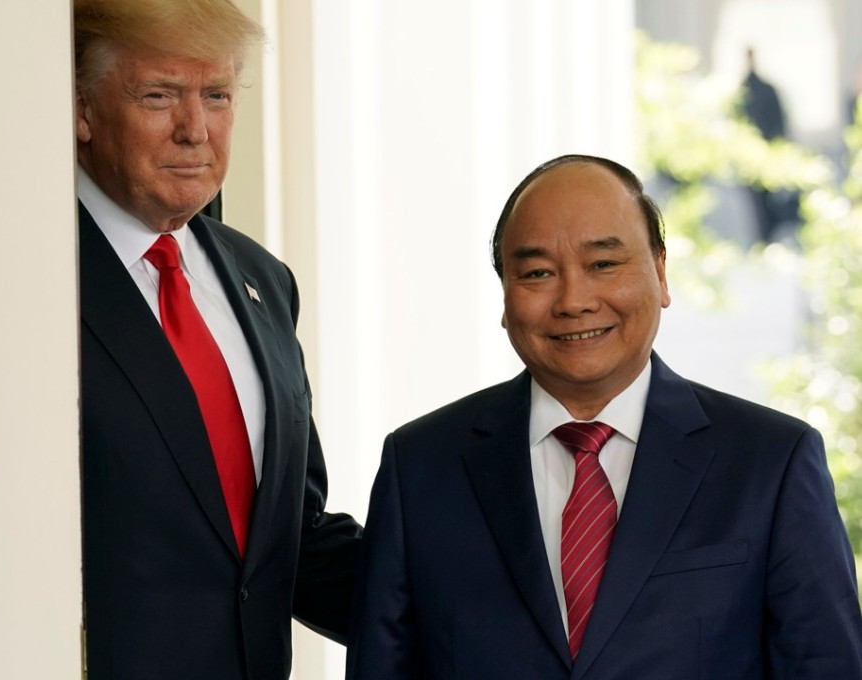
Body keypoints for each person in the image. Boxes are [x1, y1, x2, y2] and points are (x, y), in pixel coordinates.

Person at [346, 154, 862, 679]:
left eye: (603, 265)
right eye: (538, 273)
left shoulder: (772, 462)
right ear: (505, 295)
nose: (574, 301)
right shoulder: (420, 467)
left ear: (660, 272)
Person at [74, 1, 361, 677]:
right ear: (82, 110)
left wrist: (465, 603)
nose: (195, 130)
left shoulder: (264, 280)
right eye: (159, 95)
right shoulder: (30, 281)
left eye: (217, 96)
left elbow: (290, 540)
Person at [740, 48, 797, 243]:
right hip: (752, 156)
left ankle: (768, 237)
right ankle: (764, 238)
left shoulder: (761, 89)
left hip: (764, 154)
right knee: (759, 203)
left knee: (768, 200)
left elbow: (778, 123)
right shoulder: (744, 90)